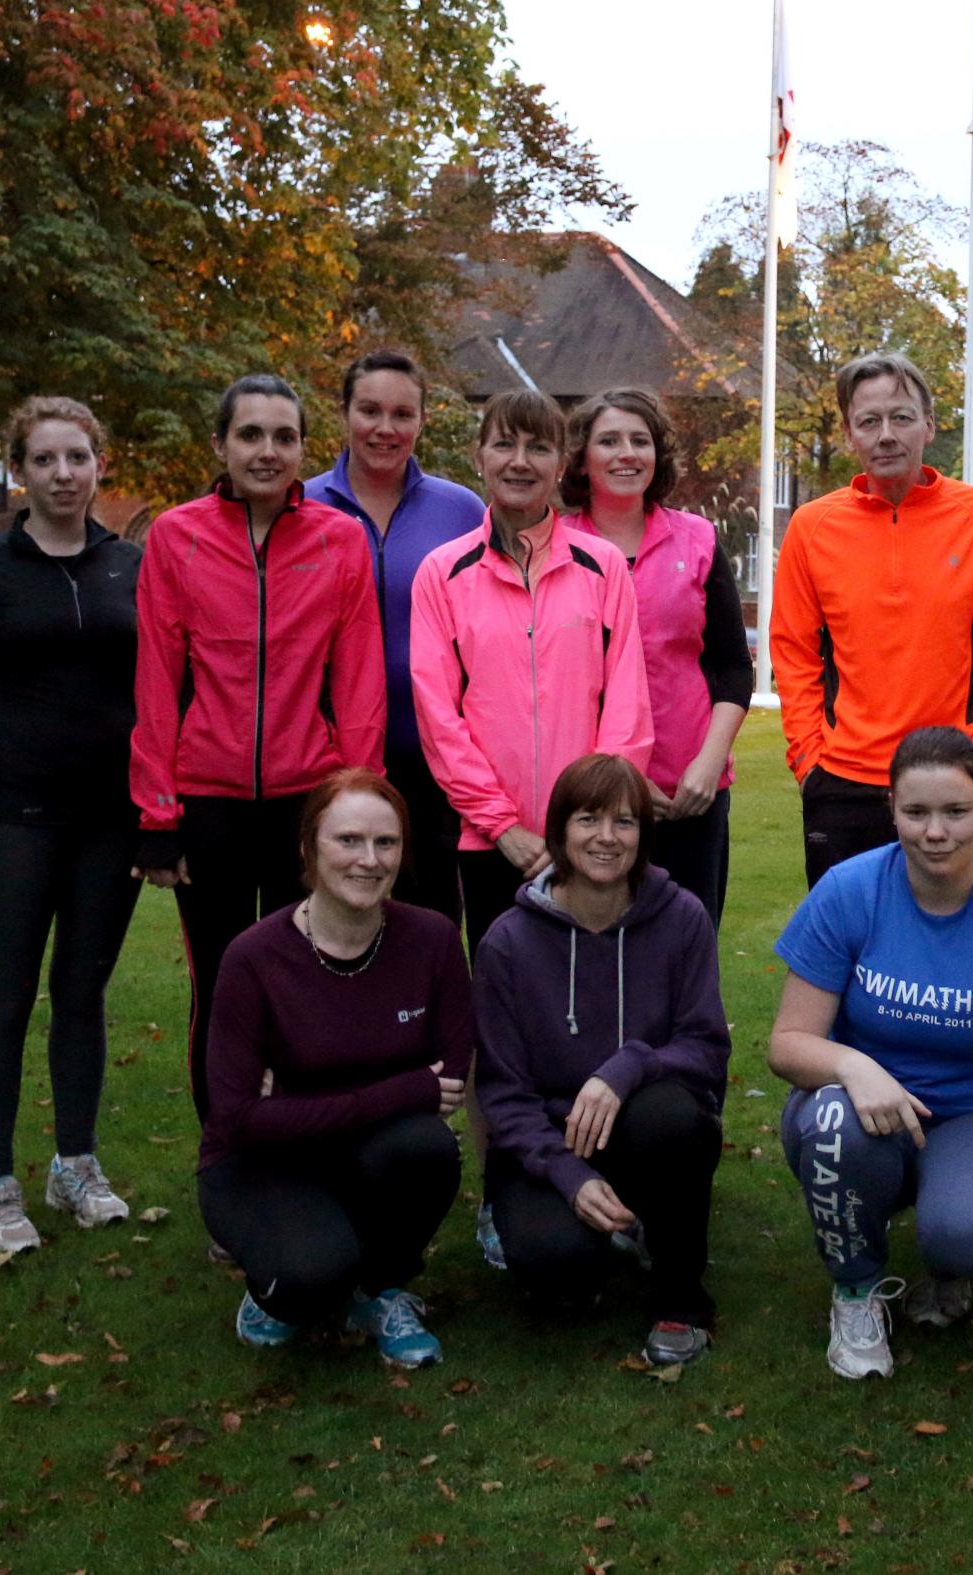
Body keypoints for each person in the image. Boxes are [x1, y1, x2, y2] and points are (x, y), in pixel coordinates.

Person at [768, 728, 973, 1381]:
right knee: (833, 1122)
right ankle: (858, 1290)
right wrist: (853, 1065)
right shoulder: (848, 890)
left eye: (956, 811)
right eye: (916, 811)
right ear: (891, 808)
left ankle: (950, 1249)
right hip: (866, 1114)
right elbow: (786, 1042)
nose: (935, 831)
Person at [409, 388, 653, 1263]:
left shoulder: (601, 569)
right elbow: (441, 714)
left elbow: (625, 706)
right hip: (490, 841)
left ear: (563, 463)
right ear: (478, 455)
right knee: (501, 1023)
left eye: (538, 448)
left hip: (593, 843)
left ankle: (616, 1179)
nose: (521, 462)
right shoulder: (442, 574)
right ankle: (503, 1183)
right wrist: (506, 826)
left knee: (597, 1012)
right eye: (504, 445)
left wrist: (596, 825)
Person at [130, 373, 386, 1124]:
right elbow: (155, 682)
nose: (268, 451)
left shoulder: (338, 539)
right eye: (251, 435)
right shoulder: (177, 535)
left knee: (309, 979)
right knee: (222, 983)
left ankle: (304, 1145)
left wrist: (356, 801)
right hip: (206, 805)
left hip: (307, 802)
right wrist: (156, 814)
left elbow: (361, 681)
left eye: (284, 436)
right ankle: (228, 1154)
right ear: (220, 444)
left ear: (306, 447)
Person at [0, 396, 143, 1256]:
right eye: (46, 459)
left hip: (110, 829)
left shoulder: (132, 565)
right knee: (3, 998)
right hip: (8, 826)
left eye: (78, 458)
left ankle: (75, 1165)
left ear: (99, 465)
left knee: (82, 995)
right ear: (20, 469)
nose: (63, 474)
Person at [197, 769, 469, 1368]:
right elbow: (239, 1121)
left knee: (428, 1147)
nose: (368, 860)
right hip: (261, 1166)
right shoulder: (253, 958)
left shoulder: (433, 940)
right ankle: (277, 1293)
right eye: (347, 840)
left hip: (357, 1149)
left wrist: (291, 1100)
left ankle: (379, 1291)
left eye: (386, 843)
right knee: (309, 1280)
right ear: (308, 848)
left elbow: (450, 1078)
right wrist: (405, 1088)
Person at [470, 754, 731, 1365]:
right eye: (588, 819)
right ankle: (617, 1225)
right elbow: (504, 1094)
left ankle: (680, 1299)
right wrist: (568, 1173)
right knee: (557, 1270)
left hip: (646, 1124)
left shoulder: (682, 917)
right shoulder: (507, 943)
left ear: (645, 834)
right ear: (559, 830)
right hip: (547, 1146)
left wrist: (627, 1067)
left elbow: (706, 1047)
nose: (607, 838)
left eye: (625, 822)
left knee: (673, 1113)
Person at [770, 354, 973, 888]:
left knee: (962, 956)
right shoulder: (811, 527)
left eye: (902, 417)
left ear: (929, 425)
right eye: (869, 421)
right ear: (849, 434)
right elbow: (793, 651)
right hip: (843, 780)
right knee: (847, 956)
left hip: (958, 778)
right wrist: (807, 761)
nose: (886, 435)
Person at [556, 388, 752, 928]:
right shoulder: (552, 548)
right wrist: (619, 774)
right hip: (591, 795)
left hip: (691, 793)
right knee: (594, 949)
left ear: (658, 454)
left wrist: (708, 766)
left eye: (640, 440)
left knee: (687, 948)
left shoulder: (700, 541)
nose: (627, 453)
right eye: (609, 441)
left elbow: (734, 668)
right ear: (582, 458)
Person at [307, 350, 487, 927]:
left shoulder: (460, 510)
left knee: (429, 925)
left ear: (421, 421)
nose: (385, 429)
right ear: (344, 413)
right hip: (322, 755)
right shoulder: (301, 506)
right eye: (370, 411)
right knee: (329, 927)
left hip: (435, 759)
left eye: (402, 414)